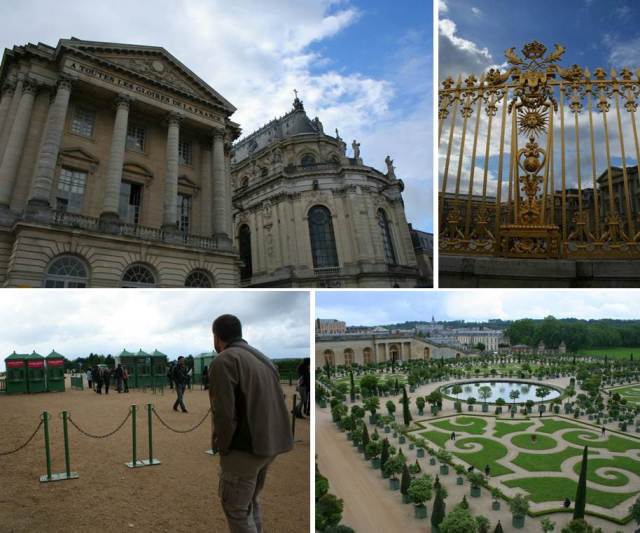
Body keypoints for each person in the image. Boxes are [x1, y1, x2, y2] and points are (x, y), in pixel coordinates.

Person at [208, 314, 293, 533]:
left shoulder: (224, 360)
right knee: (251, 502)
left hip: (245, 448)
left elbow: (224, 414)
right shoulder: (263, 358)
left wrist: (224, 447)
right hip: (270, 443)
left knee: (235, 509)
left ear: (217, 336)